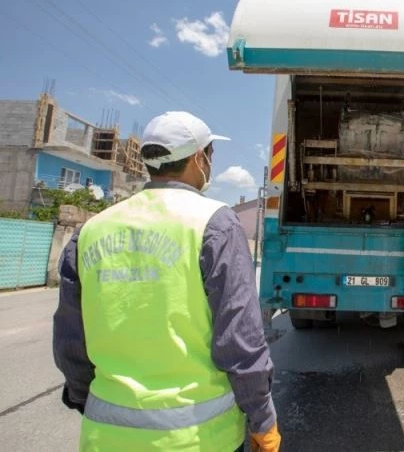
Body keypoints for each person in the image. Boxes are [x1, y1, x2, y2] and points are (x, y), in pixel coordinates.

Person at [52, 111, 281, 452]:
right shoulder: (214, 224)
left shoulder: (91, 230)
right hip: (200, 440)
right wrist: (263, 420)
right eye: (211, 154)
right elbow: (240, 342)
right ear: (199, 158)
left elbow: (70, 343)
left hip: (105, 438)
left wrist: (91, 401)